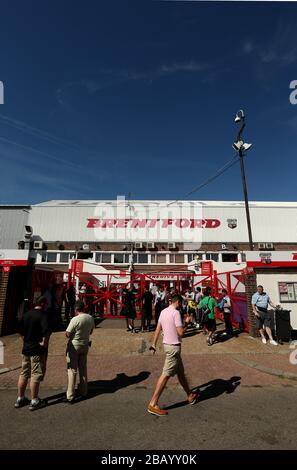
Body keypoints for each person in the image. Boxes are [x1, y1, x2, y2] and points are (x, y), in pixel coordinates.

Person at [147, 294, 198, 416]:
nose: (182, 306)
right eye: (181, 303)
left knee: (180, 372)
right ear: (178, 302)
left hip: (167, 346)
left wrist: (153, 344)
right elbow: (180, 333)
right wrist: (186, 323)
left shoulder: (163, 311)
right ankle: (153, 404)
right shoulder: (175, 313)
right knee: (165, 375)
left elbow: (158, 329)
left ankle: (190, 395)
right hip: (174, 347)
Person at [15, 296, 49, 410]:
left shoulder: (27, 314)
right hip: (37, 350)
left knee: (23, 373)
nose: (47, 306)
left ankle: (20, 398)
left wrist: (24, 339)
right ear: (43, 304)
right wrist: (44, 343)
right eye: (47, 304)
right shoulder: (43, 315)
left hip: (26, 349)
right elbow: (46, 331)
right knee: (35, 374)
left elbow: (19, 329)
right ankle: (34, 400)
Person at [65, 300, 95, 402]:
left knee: (72, 370)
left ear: (76, 309)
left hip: (74, 345)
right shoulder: (90, 318)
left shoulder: (75, 319)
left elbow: (68, 334)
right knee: (83, 369)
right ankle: (84, 391)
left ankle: (70, 395)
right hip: (85, 345)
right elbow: (91, 331)